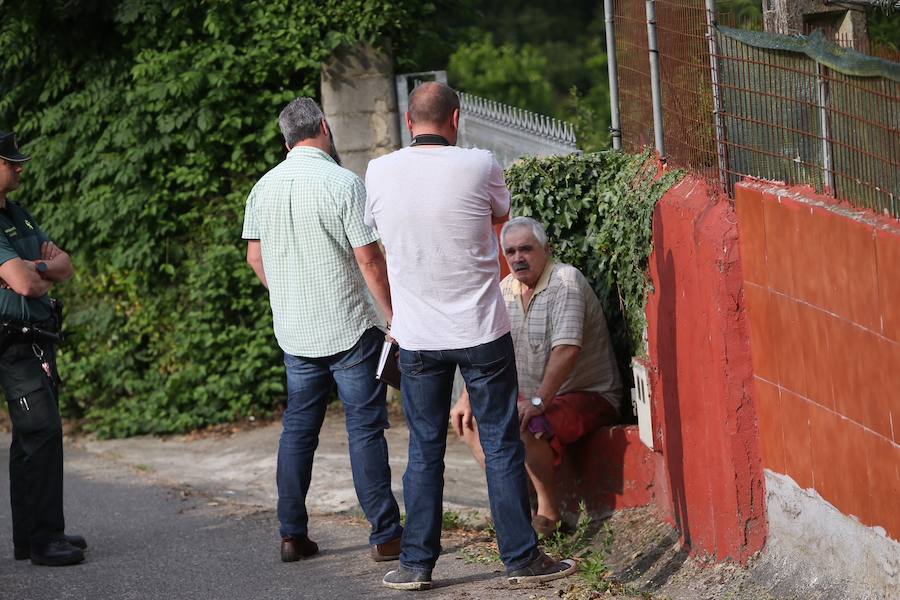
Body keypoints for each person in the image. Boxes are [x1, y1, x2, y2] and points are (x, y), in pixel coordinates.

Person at [364, 82, 576, 591]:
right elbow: (502, 224)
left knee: (424, 448)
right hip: (481, 329)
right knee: (502, 444)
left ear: (408, 121)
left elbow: (378, 239)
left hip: (417, 336)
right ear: (456, 118)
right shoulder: (481, 164)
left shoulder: (378, 171)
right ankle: (522, 558)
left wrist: (396, 310)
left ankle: (415, 564)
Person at [241, 98, 402, 564]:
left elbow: (255, 256)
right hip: (350, 326)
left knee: (297, 431)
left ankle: (292, 534)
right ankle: (385, 536)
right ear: (326, 128)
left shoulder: (262, 188)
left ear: (285, 138)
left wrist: (286, 293)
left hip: (295, 332)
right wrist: (394, 313)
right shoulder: (343, 183)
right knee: (365, 430)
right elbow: (369, 259)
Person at [451, 216, 624, 537]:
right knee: (470, 420)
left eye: (526, 249)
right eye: (511, 251)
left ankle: (548, 511)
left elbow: (567, 350)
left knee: (525, 420)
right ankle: (514, 504)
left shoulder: (565, 281)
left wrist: (538, 401)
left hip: (587, 394)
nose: (518, 258)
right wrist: (465, 398)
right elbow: (485, 351)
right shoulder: (504, 290)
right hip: (534, 397)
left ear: (547, 249)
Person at [0, 131, 85, 566]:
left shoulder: (19, 215)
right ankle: (44, 540)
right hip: (13, 341)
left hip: (38, 337)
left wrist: (32, 266)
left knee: (28, 439)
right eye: (9, 161)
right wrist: (36, 271)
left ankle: (29, 535)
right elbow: (27, 284)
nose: (19, 167)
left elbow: (64, 265)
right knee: (41, 432)